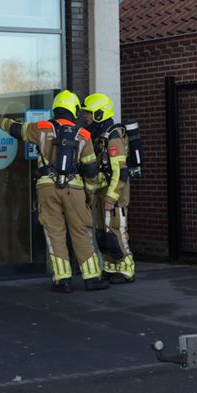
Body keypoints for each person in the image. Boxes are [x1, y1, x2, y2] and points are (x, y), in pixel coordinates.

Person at [0, 91, 108, 292]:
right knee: (81, 231)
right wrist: (88, 197)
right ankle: (92, 278)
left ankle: (62, 280)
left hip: (46, 187)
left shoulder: (41, 128)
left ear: (56, 108)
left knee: (55, 233)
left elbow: (18, 130)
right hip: (74, 189)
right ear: (74, 110)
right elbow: (90, 171)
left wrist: (0, 121)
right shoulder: (84, 135)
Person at [81, 93, 135, 283]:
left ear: (99, 114)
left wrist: (111, 198)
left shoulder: (113, 137)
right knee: (102, 234)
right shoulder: (100, 136)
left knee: (115, 231)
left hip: (115, 196)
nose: (85, 117)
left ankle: (126, 269)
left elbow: (120, 172)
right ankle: (111, 268)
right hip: (101, 194)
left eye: (88, 113)